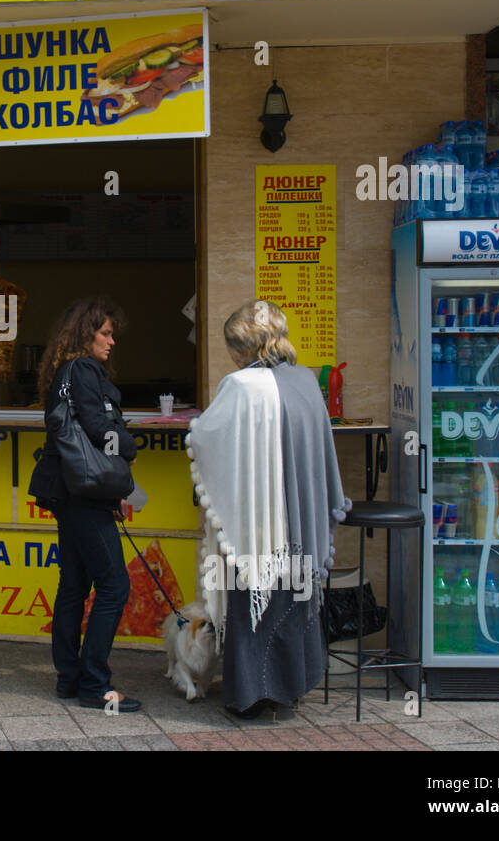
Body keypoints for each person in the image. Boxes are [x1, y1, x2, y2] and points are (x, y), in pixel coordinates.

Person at [186, 300, 351, 718]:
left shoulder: (242, 385)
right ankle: (290, 687)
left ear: (245, 347)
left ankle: (250, 696)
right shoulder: (303, 381)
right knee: (293, 601)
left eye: (233, 348)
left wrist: (193, 429)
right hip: (298, 522)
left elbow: (206, 437)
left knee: (254, 602)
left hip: (259, 526)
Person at [28, 297, 141, 712]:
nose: (112, 342)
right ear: (86, 334)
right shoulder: (86, 370)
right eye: (106, 333)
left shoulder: (63, 371)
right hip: (85, 494)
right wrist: (129, 446)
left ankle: (68, 678)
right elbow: (99, 428)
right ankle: (95, 683)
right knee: (114, 586)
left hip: (66, 490)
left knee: (73, 586)